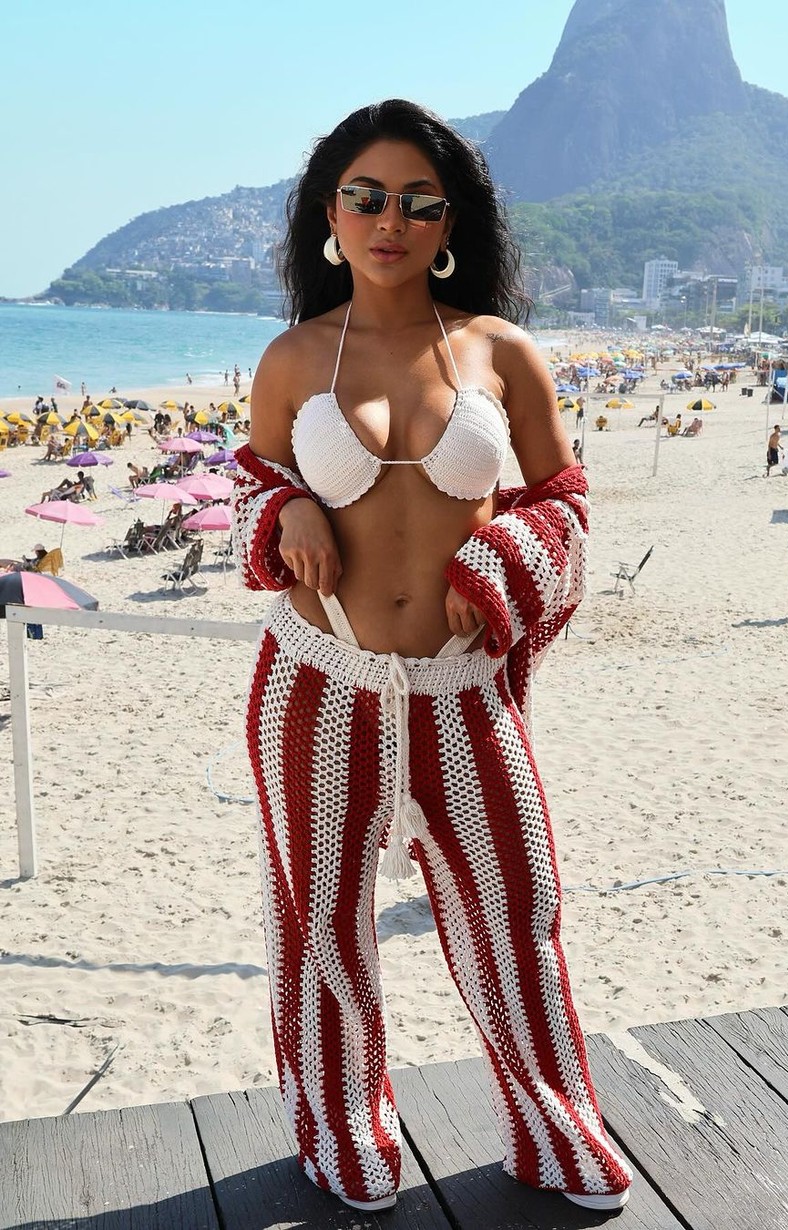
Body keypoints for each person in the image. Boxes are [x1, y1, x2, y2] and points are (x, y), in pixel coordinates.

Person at [232, 99, 631, 1215]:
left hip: (464, 691)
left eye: (417, 201)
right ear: (330, 215)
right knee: (319, 923)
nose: (390, 220)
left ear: (451, 222)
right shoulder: (292, 357)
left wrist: (503, 558)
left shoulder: (500, 350)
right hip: (319, 683)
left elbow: (565, 504)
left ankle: (553, 1125)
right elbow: (250, 484)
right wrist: (284, 510)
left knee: (518, 909)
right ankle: (341, 1129)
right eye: (365, 197)